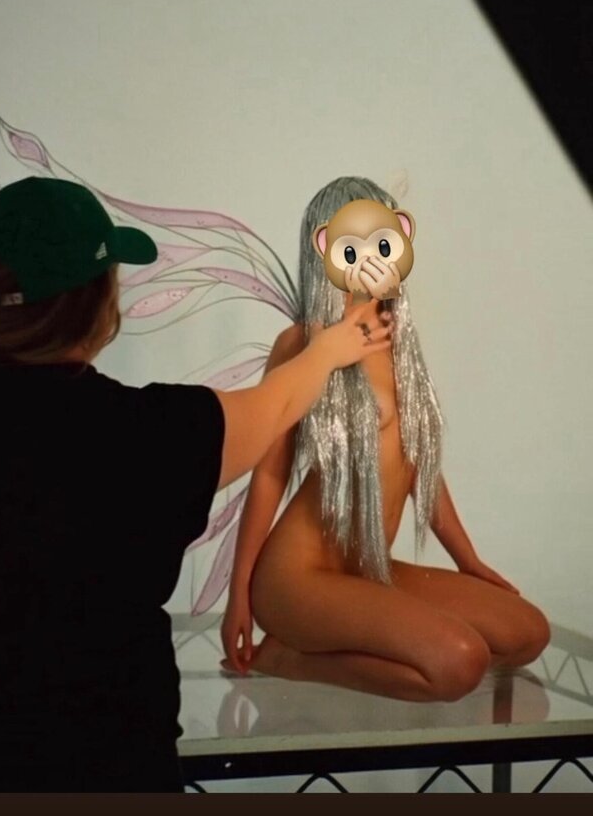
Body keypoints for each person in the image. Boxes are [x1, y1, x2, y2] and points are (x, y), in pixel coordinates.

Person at [0, 176, 390, 793]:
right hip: (110, 766)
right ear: (96, 305)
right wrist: (330, 349)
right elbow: (275, 407)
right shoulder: (146, 435)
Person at [222, 176, 550, 702]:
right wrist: (238, 592)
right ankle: (289, 658)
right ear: (325, 248)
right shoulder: (304, 343)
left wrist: (468, 560)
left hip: (368, 570)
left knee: (527, 633)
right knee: (459, 662)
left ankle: (336, 645)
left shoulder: (401, 345)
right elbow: (270, 473)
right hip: (298, 576)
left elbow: (421, 468)